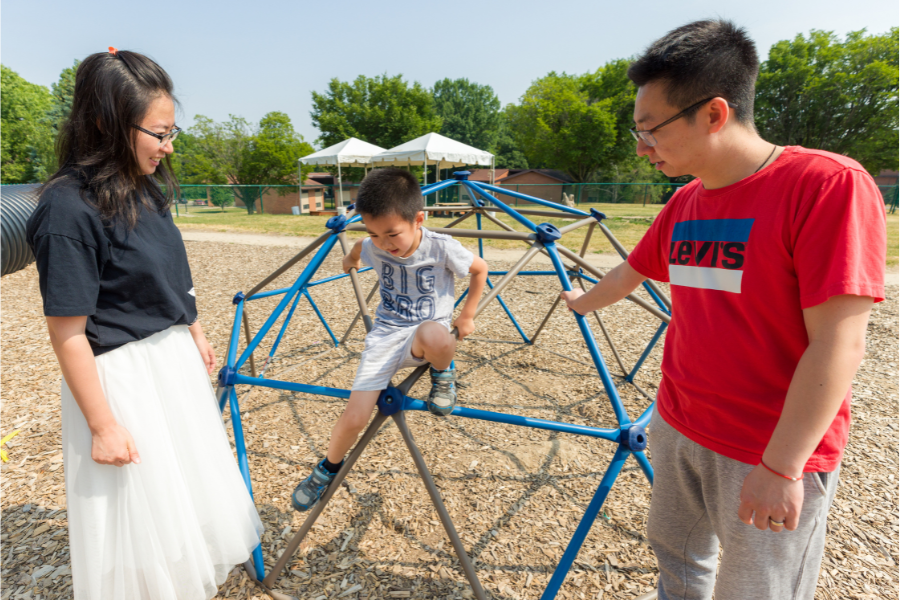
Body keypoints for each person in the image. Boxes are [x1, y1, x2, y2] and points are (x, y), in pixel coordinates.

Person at [560, 20, 885, 600]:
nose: (641, 146)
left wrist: (782, 467)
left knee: (758, 589)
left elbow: (840, 343)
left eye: (649, 129)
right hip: (679, 424)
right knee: (679, 566)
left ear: (713, 114)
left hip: (764, 445)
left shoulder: (825, 186)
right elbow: (632, 271)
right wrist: (581, 302)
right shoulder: (686, 201)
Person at [26, 48, 262, 600]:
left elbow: (169, 271)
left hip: (170, 361)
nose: (169, 145)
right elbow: (67, 332)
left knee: (180, 504)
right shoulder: (67, 209)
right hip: (124, 378)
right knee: (136, 519)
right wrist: (103, 426)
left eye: (171, 130)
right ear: (108, 122)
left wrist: (194, 332)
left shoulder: (143, 186)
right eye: (159, 132)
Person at [292, 168, 488, 511]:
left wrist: (467, 315)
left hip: (426, 337)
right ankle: (327, 468)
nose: (383, 243)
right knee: (354, 417)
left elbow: (480, 269)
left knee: (435, 334)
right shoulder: (373, 245)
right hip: (385, 336)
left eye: (392, 234)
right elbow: (358, 249)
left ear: (418, 219)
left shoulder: (441, 247)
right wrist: (349, 260)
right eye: (374, 233)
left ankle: (443, 373)